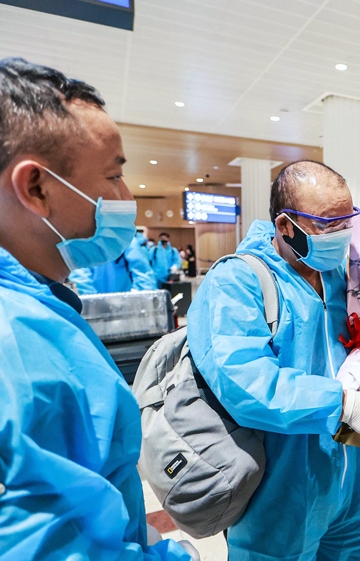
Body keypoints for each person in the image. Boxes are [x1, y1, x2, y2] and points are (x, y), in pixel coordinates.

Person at [0, 57, 193, 560]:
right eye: (113, 177)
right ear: (36, 188)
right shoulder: (17, 345)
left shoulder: (40, 307)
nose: (125, 197)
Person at [187, 160, 360, 561]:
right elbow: (244, 381)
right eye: (328, 223)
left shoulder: (338, 277)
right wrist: (343, 404)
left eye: (348, 219)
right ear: (286, 225)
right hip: (281, 482)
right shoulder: (238, 281)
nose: (342, 233)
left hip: (351, 469)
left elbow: (353, 342)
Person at [69, 234, 158, 294]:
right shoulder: (83, 244)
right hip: (121, 304)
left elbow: (143, 279)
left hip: (123, 304)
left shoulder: (128, 243)